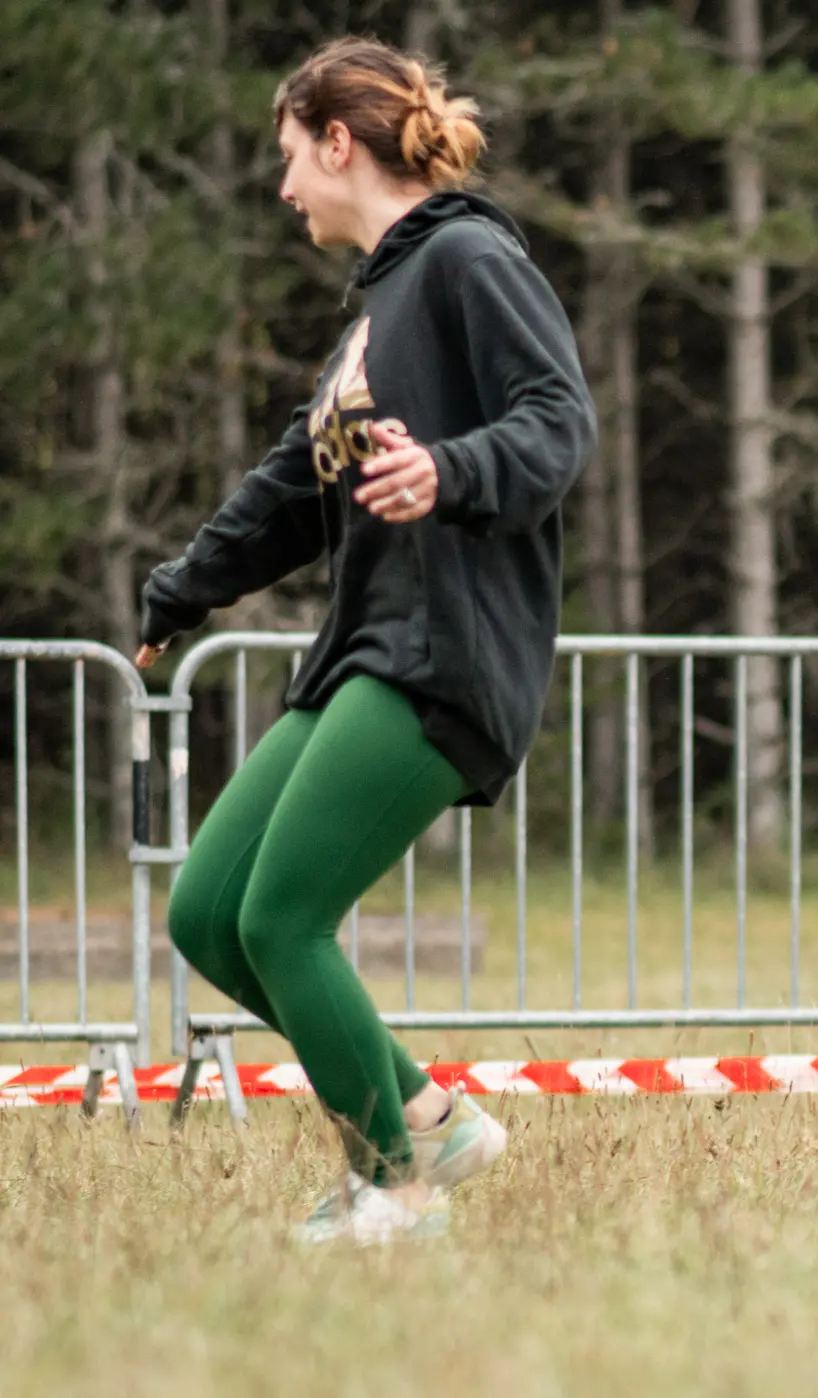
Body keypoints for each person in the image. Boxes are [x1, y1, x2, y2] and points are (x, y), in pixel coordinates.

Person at [136, 37, 596, 1245]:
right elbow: (298, 481)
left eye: (290, 157)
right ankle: (432, 1119)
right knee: (210, 912)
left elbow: (559, 422)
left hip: (444, 656)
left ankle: (395, 1184)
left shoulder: (467, 257)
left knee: (284, 917)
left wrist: (451, 467)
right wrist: (183, 590)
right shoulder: (377, 310)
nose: (285, 188)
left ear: (339, 142)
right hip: (362, 649)